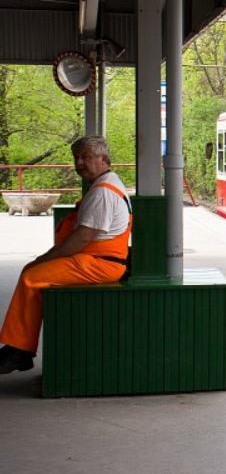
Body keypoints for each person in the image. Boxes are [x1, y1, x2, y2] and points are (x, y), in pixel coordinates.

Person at [0, 136, 132, 374]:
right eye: (77, 158)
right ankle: (19, 348)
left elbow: (83, 237)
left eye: (86, 157)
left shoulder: (103, 192)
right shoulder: (106, 184)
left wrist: (46, 258)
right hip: (95, 260)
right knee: (31, 272)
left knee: (32, 275)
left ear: (104, 160)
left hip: (100, 264)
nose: (80, 163)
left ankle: (19, 350)